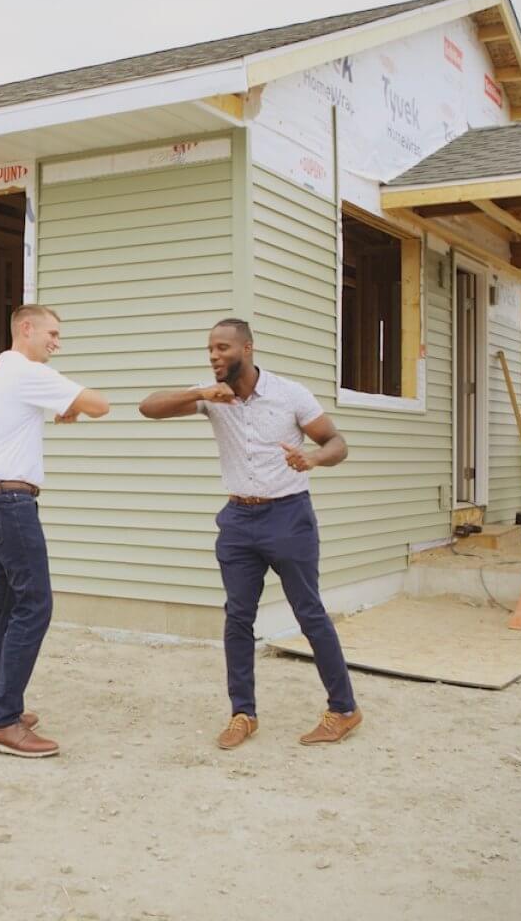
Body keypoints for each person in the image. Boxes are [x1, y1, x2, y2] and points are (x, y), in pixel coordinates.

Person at [138, 318, 362, 749]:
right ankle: (243, 713)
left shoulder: (289, 394)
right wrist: (202, 393)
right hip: (239, 520)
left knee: (309, 612)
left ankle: (344, 709)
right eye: (210, 350)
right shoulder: (212, 396)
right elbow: (148, 407)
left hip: (289, 517)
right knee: (238, 618)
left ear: (248, 348)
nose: (215, 356)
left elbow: (337, 441)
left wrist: (313, 460)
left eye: (223, 348)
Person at [0, 304, 109, 758]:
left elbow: (44, 414)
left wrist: (67, 411)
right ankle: (5, 721)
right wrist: (77, 410)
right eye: (51, 333)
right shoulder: (27, 373)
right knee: (35, 605)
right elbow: (100, 405)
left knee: (1, 602)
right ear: (25, 329)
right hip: (10, 503)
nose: (56, 342)